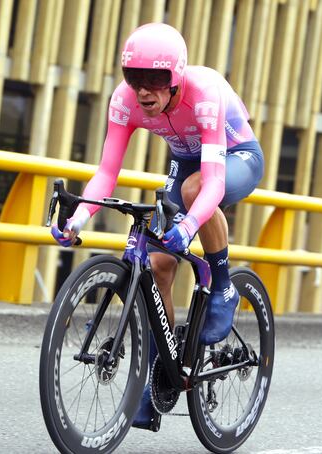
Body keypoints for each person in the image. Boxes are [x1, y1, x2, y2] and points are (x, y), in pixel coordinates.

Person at [51, 23, 264, 430]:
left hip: (235, 157)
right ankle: (158, 376)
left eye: (156, 79)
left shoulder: (203, 95)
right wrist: (77, 218)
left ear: (176, 76)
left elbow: (214, 183)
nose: (144, 91)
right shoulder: (124, 101)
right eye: (135, 79)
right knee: (159, 265)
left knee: (195, 191)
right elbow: (106, 172)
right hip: (185, 162)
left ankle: (222, 288)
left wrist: (188, 229)